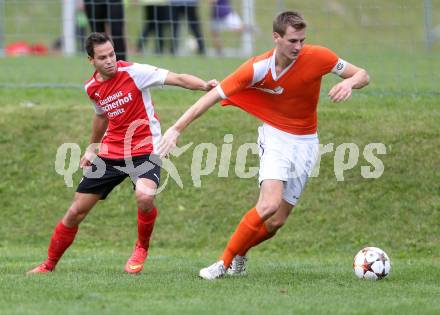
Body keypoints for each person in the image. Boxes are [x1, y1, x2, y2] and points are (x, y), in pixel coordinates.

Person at [157, 11, 370, 280]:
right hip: (276, 137)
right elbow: (211, 97)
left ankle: (240, 253)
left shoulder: (319, 57)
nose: (298, 47)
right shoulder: (257, 67)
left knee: (275, 222)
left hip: (306, 143)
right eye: (292, 40)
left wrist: (350, 82)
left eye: (302, 40)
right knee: (268, 204)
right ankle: (222, 264)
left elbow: (363, 74)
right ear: (276, 38)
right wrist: (176, 129)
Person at [27, 32, 217, 275]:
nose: (110, 60)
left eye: (112, 54)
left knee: (145, 196)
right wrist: (92, 147)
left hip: (145, 148)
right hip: (112, 151)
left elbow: (177, 78)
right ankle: (48, 265)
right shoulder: (92, 88)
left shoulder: (135, 73)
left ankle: (141, 247)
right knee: (76, 211)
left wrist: (204, 86)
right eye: (103, 57)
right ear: (91, 60)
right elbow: (100, 116)